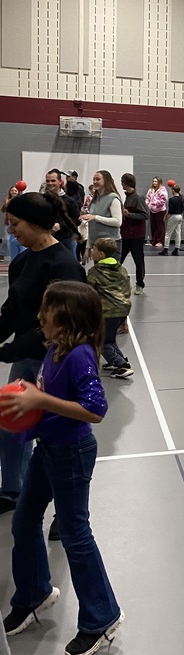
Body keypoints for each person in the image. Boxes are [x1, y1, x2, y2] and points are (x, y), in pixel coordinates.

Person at [0, 281, 123, 655]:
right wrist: (29, 395)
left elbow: (95, 410)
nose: (41, 317)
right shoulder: (54, 348)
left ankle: (102, 618)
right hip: (47, 449)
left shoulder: (80, 356)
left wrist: (41, 399)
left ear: (66, 317)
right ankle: (35, 594)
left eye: (47, 311)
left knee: (74, 534)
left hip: (72, 453)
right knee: (23, 521)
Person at [0, 193, 85, 516]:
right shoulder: (22, 261)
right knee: (10, 425)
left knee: (54, 441)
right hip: (25, 358)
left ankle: (66, 510)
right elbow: (11, 313)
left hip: (55, 365)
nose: (11, 231)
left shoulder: (63, 265)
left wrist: (6, 352)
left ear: (36, 224)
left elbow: (55, 329)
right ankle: (12, 491)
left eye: (16, 224)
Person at [88, 237, 134, 377]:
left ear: (101, 254)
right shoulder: (122, 269)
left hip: (107, 312)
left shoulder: (95, 272)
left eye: (94, 249)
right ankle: (119, 361)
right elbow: (128, 288)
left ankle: (121, 365)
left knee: (100, 341)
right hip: (123, 309)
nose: (92, 251)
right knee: (110, 338)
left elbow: (89, 291)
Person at [81, 170, 122, 264]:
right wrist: (88, 248)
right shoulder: (94, 200)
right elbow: (91, 227)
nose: (95, 182)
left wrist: (96, 217)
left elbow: (118, 222)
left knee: (110, 275)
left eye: (98, 179)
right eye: (93, 179)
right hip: (97, 245)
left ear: (106, 181)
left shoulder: (113, 198)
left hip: (111, 245)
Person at [119, 173, 149, 294]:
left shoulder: (138, 197)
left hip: (136, 235)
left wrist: (128, 215)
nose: (121, 183)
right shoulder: (127, 197)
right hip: (126, 234)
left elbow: (145, 215)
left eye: (122, 181)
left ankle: (140, 284)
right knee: (118, 258)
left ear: (126, 183)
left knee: (138, 261)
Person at [43, 169, 80, 259]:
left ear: (60, 182)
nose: (50, 183)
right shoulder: (43, 200)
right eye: (48, 181)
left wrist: (60, 225)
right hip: (46, 241)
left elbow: (76, 220)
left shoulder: (70, 201)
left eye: (53, 181)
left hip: (66, 241)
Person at [2, 186, 25, 262]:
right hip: (9, 222)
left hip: (18, 221)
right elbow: (4, 210)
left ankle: (21, 256)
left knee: (19, 239)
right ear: (10, 192)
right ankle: (8, 255)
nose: (14, 192)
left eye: (15, 190)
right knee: (7, 240)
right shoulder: (7, 200)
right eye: (12, 190)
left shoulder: (20, 199)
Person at [160, 184, 184, 256]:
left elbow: (170, 210)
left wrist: (166, 216)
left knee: (168, 233)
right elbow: (183, 208)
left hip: (173, 216)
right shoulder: (182, 199)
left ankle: (166, 249)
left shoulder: (171, 199)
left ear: (173, 190)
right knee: (178, 233)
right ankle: (176, 249)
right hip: (180, 216)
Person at [145, 177, 168, 248]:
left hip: (160, 211)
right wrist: (148, 204)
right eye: (153, 181)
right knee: (153, 226)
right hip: (152, 210)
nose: (154, 183)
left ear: (159, 182)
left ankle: (160, 241)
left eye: (156, 181)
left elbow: (163, 200)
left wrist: (155, 203)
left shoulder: (162, 190)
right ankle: (153, 241)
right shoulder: (151, 190)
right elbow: (147, 198)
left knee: (160, 227)